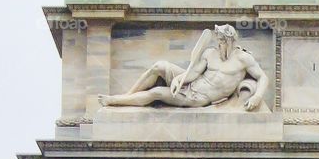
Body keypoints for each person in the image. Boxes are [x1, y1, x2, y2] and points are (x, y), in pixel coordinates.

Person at [99, 24, 268, 111]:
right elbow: (194, 72)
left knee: (157, 93)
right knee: (159, 65)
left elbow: (262, 77)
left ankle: (115, 101)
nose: (219, 43)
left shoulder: (244, 58)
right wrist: (179, 78)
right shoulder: (210, 53)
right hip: (192, 83)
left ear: (230, 40)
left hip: (200, 97)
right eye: (218, 39)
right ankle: (128, 96)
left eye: (222, 40)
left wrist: (258, 96)